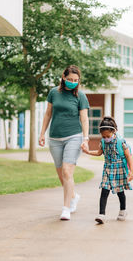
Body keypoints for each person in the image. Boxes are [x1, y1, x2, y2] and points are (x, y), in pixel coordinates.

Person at [39, 65, 90, 221]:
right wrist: (42, 133)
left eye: (76, 80)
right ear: (63, 77)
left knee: (67, 172)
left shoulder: (80, 96)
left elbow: (84, 118)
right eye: (70, 80)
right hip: (54, 138)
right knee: (62, 175)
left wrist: (85, 138)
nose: (73, 82)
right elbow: (48, 114)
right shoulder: (54, 92)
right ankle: (73, 196)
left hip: (74, 136)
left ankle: (66, 208)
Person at [82, 116, 133, 224]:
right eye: (103, 136)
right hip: (107, 169)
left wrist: (131, 171)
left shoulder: (120, 142)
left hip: (119, 169)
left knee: (120, 191)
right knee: (104, 190)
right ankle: (101, 214)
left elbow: (128, 156)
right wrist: (88, 152)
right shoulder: (103, 142)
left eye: (108, 136)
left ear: (113, 131)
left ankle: (123, 210)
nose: (106, 138)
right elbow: (99, 152)